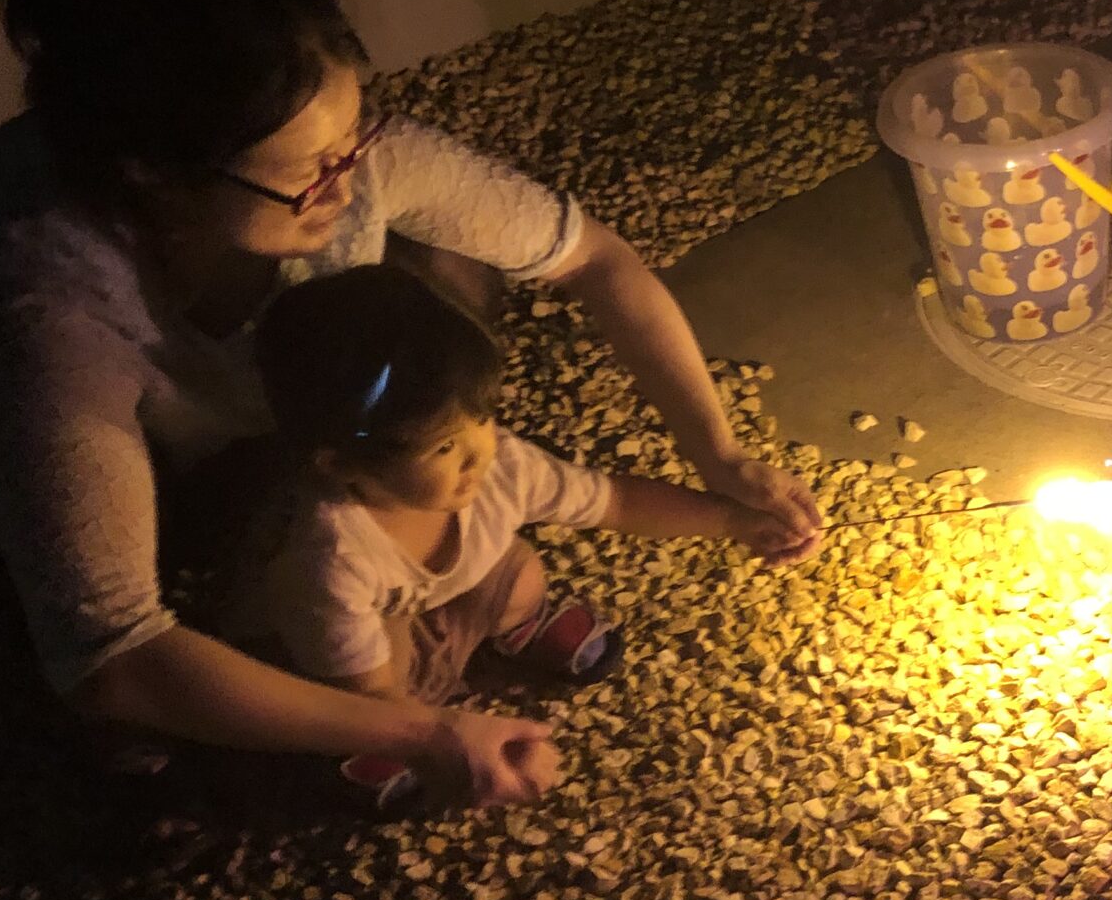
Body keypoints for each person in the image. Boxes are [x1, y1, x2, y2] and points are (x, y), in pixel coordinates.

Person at [0, 0, 820, 808]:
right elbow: (115, 649)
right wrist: (431, 730)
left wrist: (719, 455)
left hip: (269, 425)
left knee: (440, 270)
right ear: (155, 174)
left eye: (353, 136)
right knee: (130, 663)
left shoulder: (345, 161)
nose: (345, 179)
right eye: (309, 170)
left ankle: (272, 633)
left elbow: (596, 261)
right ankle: (178, 703)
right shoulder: (49, 302)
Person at [248, 265, 798, 810]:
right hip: (368, 650)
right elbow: (370, 693)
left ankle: (518, 624)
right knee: (381, 687)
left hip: (448, 592)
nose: (476, 453)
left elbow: (617, 502)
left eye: (481, 417)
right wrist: (471, 746)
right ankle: (371, 751)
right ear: (342, 464)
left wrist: (733, 522)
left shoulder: (497, 468)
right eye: (441, 447)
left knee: (519, 571)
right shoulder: (331, 559)